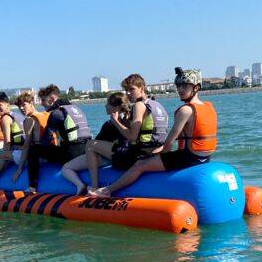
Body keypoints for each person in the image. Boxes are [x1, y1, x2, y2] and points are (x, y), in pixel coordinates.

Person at [94, 68, 216, 196]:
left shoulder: (185, 110)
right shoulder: (208, 106)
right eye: (178, 86)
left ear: (196, 88)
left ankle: (107, 190)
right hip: (205, 158)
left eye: (184, 86)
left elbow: (168, 143)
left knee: (140, 165)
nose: (179, 90)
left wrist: (158, 156)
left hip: (188, 158)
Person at [86, 74, 168, 195]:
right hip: (155, 154)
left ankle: (94, 187)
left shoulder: (139, 106)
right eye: (126, 90)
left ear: (142, 88)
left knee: (90, 144)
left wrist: (115, 121)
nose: (128, 93)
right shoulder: (157, 105)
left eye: (132, 89)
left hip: (137, 156)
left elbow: (132, 137)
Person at [60, 92, 131, 195]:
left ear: (115, 107)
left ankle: (90, 186)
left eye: (107, 104)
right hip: (116, 157)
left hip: (112, 158)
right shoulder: (130, 120)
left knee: (66, 167)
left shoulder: (110, 124)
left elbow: (94, 144)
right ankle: (86, 186)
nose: (105, 106)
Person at [25, 84, 92, 193]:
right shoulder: (76, 109)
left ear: (51, 99)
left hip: (72, 154)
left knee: (34, 150)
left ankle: (32, 187)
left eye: (43, 100)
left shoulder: (57, 113)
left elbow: (45, 140)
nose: (41, 103)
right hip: (87, 150)